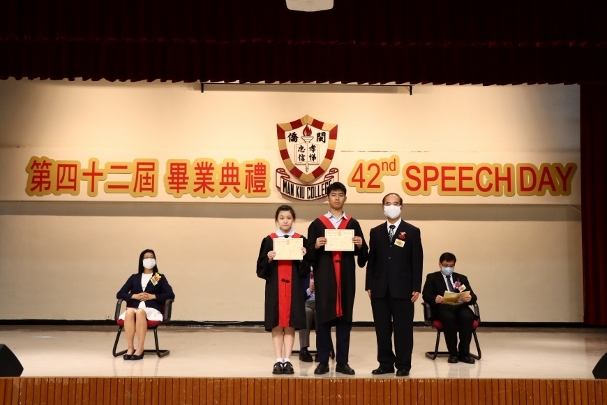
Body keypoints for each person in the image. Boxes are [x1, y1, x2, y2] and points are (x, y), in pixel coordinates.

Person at [307, 181, 368, 375]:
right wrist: (315, 246)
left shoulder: (353, 223)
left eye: (340, 195)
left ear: (345, 198)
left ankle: (342, 362)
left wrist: (361, 245)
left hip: (346, 278)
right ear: (327, 198)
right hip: (325, 278)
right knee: (323, 321)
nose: (337, 198)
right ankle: (323, 361)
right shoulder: (317, 224)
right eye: (333, 195)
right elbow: (308, 255)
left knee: (345, 322)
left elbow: (363, 257)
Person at [365, 193, 423, 377]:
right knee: (382, 329)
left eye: (395, 203)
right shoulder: (376, 232)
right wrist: (369, 284)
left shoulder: (412, 231)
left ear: (401, 207)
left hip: (404, 289)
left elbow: (417, 260)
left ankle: (404, 364)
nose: (392, 206)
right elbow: (372, 260)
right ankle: (385, 363)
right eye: (388, 203)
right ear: (383, 207)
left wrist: (416, 286)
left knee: (403, 329)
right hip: (379, 288)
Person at [257, 205, 310, 375]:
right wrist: (268, 259)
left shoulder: (300, 240)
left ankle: (288, 360)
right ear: (277, 220)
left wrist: (303, 258)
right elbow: (260, 270)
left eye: (288, 218)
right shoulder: (269, 240)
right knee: (277, 323)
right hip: (275, 288)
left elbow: (306, 271)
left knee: (290, 323)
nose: (285, 221)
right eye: (281, 218)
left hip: (293, 288)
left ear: (293, 219)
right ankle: (278, 360)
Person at [116, 249, 175, 360]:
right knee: (129, 311)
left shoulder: (158, 277)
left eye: (152, 257)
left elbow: (170, 294)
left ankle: (140, 348)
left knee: (140, 312)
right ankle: (130, 348)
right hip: (135, 306)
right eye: (146, 257)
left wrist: (154, 296)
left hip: (151, 308)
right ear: (141, 260)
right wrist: (134, 296)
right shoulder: (134, 277)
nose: (149, 259)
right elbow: (120, 293)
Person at [422, 252, 478, 364]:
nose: (448, 268)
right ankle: (453, 354)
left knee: (467, 317)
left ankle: (464, 354)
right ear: (440, 264)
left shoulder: (461, 278)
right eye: (446, 265)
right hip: (443, 308)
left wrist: (469, 298)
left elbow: (473, 296)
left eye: (451, 266)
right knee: (449, 318)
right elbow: (426, 295)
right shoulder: (432, 277)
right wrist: (435, 298)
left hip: (460, 307)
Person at [298, 269, 315, 362]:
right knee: (305, 312)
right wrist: (309, 290)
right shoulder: (302, 275)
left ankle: (322, 349)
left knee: (320, 313)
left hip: (320, 303)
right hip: (306, 303)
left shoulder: (323, 275)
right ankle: (303, 349)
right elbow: (299, 295)